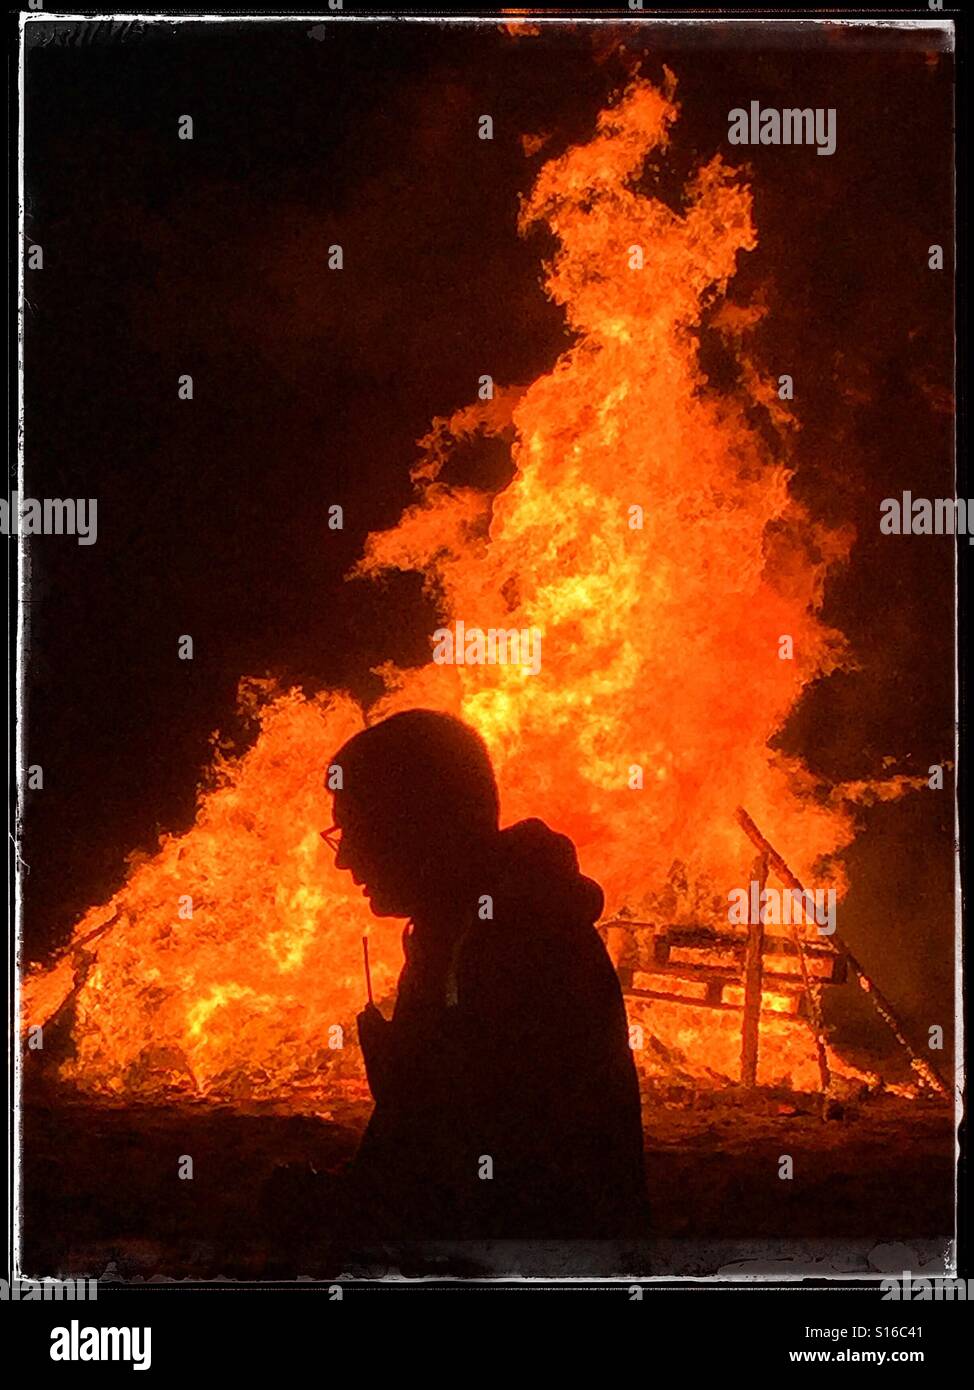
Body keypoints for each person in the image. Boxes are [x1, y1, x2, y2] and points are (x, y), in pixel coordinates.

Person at [324, 708, 649, 1242]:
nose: (344, 860)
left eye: (355, 829)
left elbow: (501, 1182)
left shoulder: (512, 941)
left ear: (417, 823)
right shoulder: (454, 930)